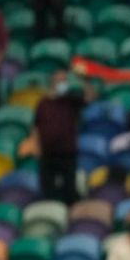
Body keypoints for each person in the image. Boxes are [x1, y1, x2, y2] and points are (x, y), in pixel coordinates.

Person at [32, 70, 90, 206]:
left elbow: (89, 98)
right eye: (59, 80)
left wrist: (84, 81)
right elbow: (36, 126)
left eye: (64, 81)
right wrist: (36, 146)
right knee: (48, 191)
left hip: (67, 153)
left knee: (70, 191)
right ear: (52, 83)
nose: (62, 83)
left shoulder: (71, 100)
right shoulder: (43, 103)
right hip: (47, 154)